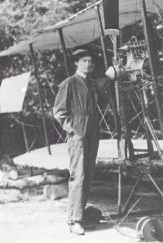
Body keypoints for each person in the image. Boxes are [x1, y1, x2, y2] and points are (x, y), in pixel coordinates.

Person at [53, 48, 109, 235]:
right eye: (84, 60)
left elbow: (105, 85)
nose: (88, 64)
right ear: (77, 63)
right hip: (78, 133)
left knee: (89, 174)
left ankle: (81, 215)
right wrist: (73, 130)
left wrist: (114, 73)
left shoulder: (91, 84)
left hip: (93, 131)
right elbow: (59, 112)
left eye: (90, 61)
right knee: (78, 176)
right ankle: (74, 220)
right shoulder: (69, 83)